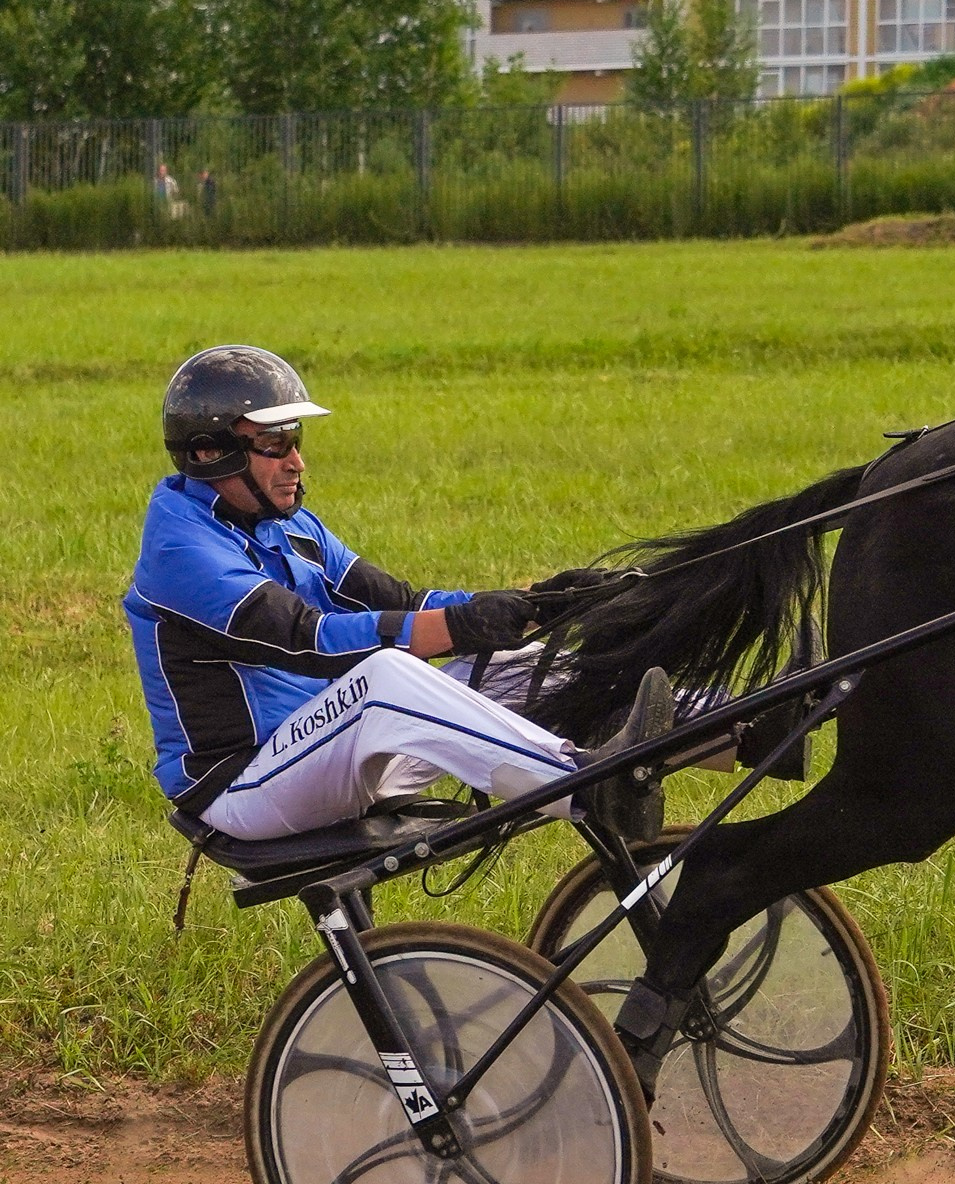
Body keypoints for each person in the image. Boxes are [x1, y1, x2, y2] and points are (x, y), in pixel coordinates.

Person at [125, 345, 669, 843]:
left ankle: (731, 733)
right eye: (274, 443)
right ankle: (588, 785)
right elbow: (308, 642)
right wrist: (458, 627)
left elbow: (405, 604)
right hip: (241, 786)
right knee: (386, 676)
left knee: (511, 663)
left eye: (296, 439)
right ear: (207, 453)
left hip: (323, 751)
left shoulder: (285, 524)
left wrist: (540, 604)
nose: (297, 461)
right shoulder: (182, 548)